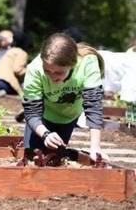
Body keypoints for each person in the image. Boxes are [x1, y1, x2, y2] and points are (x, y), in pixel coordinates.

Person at [22, 33, 107, 161]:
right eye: (47, 71)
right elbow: (32, 112)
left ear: (72, 64)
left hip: (68, 117)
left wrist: (95, 147)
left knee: (55, 158)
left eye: (59, 72)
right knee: (33, 157)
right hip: (42, 118)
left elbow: (94, 106)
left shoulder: (87, 63)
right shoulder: (34, 69)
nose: (53, 76)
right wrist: (45, 134)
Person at [0, 30, 30, 96]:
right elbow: (17, 70)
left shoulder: (10, 51)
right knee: (21, 91)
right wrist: (30, 70)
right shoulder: (22, 53)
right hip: (5, 83)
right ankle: (1, 92)